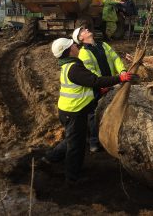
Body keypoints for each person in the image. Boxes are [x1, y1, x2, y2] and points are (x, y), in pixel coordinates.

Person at [44, 38, 138, 184]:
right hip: (73, 112)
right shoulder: (74, 68)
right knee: (76, 146)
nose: (76, 46)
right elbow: (95, 80)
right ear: (69, 51)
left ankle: (52, 157)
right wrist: (120, 78)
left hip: (70, 111)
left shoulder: (70, 66)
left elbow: (86, 85)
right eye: (73, 45)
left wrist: (99, 90)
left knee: (72, 138)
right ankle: (72, 178)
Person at [72, 26, 126, 152]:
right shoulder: (84, 53)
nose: (86, 29)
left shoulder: (104, 45)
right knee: (94, 113)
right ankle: (94, 141)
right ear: (81, 38)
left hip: (112, 82)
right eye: (83, 31)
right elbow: (91, 72)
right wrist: (102, 85)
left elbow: (115, 58)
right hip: (99, 87)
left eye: (86, 28)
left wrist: (122, 71)